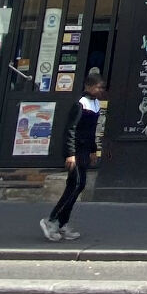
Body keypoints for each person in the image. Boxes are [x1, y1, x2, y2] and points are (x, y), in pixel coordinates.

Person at [41, 70, 105, 242]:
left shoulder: (95, 104)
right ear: (89, 86)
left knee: (76, 185)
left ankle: (62, 223)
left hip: (84, 150)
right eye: (98, 87)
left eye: (102, 88)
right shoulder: (80, 104)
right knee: (77, 184)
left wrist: (93, 150)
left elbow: (91, 131)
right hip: (76, 150)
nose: (101, 90)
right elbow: (71, 129)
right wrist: (70, 154)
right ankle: (52, 219)